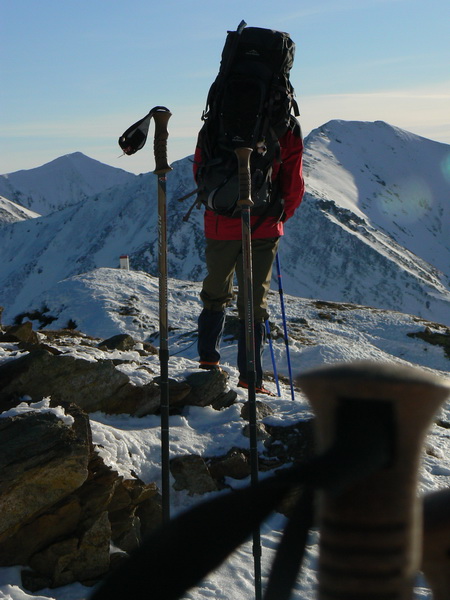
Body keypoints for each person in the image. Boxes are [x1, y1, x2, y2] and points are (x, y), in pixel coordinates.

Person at [193, 116, 305, 394]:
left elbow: (200, 170)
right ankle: (250, 378)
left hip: (219, 221)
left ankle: (208, 361)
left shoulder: (217, 118)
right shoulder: (285, 126)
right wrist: (281, 216)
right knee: (254, 300)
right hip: (264, 223)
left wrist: (218, 204)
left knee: (215, 290)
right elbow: (293, 179)